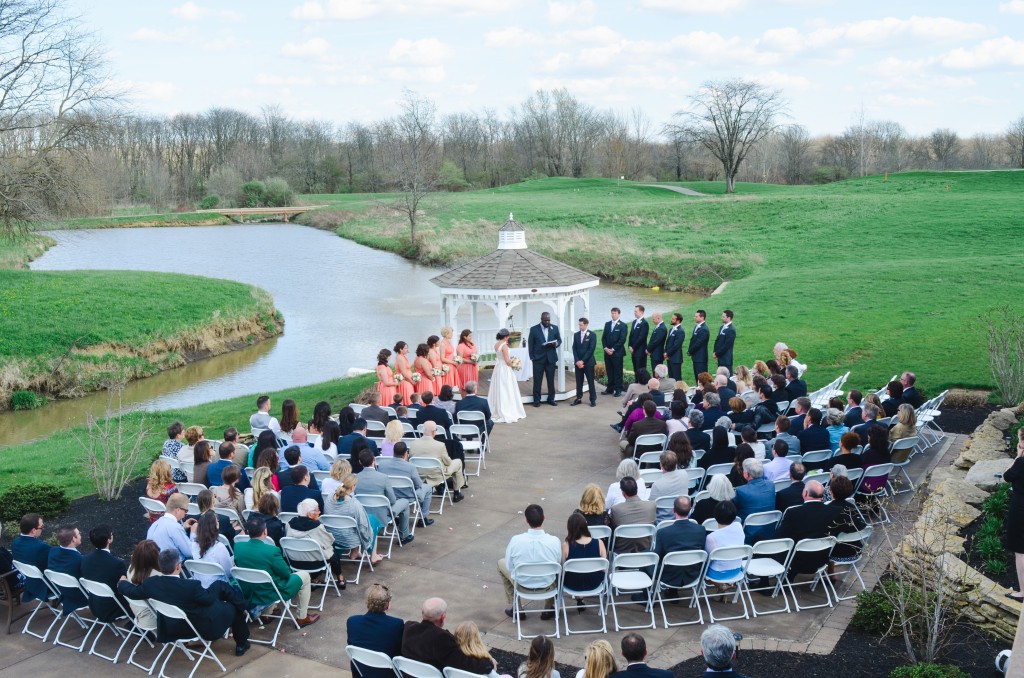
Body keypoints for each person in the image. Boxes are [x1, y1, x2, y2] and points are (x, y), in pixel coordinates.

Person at [117, 548, 252, 657]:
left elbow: (132, 592)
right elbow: (209, 600)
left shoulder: (151, 584)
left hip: (172, 629)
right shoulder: (190, 587)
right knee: (233, 607)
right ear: (178, 567)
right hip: (200, 628)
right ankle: (242, 642)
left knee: (219, 586)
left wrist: (122, 583)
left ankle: (244, 606)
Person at [233, 516, 319, 627]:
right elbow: (286, 573)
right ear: (265, 531)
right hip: (270, 592)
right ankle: (302, 617)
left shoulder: (238, 547)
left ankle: (266, 614)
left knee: (268, 577)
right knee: (305, 576)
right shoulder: (272, 551)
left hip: (250, 592)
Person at [498, 504, 561, 618]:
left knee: (500, 563)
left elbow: (509, 565)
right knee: (555, 571)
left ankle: (517, 608)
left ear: (526, 520)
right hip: (547, 585)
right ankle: (548, 608)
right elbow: (557, 566)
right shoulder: (554, 541)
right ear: (544, 518)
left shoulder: (516, 540)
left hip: (522, 585)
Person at [402, 597, 494, 673]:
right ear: (442, 617)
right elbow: (465, 664)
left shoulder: (409, 627)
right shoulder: (442, 638)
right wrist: (488, 664)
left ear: (422, 613)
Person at [774, 480, 842, 576]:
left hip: (796, 562)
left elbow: (779, 537)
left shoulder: (793, 513)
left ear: (805, 493)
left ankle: (764, 583)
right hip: (821, 560)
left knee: (762, 542)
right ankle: (789, 578)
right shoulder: (834, 511)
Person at [355, 448, 413, 545]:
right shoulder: (383, 477)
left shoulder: (355, 478)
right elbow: (392, 500)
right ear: (374, 459)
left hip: (362, 515)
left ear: (360, 462)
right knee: (405, 502)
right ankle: (404, 536)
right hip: (381, 516)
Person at [347, 584, 405, 678]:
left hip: (362, 671)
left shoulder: (352, 621)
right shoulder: (396, 624)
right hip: (386, 674)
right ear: (388, 604)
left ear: (367, 602)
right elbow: (398, 652)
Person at [654, 496, 707, 591]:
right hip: (692, 574)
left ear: (674, 510)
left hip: (668, 576)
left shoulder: (663, 532)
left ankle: (645, 597)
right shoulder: (701, 530)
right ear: (690, 509)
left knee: (646, 563)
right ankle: (671, 592)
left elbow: (657, 557)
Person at [378, 442, 435, 528]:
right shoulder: (410, 467)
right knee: (428, 487)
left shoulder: (382, 465)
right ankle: (423, 518)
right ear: (406, 453)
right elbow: (418, 484)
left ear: (393, 452)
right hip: (407, 497)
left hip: (389, 496)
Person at [79, 525, 128, 620]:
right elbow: (124, 585)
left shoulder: (85, 559)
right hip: (116, 608)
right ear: (109, 540)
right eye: (111, 534)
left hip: (95, 606)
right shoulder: (117, 563)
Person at [409, 420, 466, 502]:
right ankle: (457, 493)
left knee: (439, 465)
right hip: (437, 475)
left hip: (419, 474)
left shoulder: (413, 444)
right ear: (433, 432)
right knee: (458, 462)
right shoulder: (440, 445)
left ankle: (440, 487)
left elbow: (411, 459)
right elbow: (448, 462)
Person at [561, 512, 607, 603]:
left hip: (572, 584)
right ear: (586, 524)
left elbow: (563, 568)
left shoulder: (566, 545)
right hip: (594, 583)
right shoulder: (599, 543)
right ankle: (580, 599)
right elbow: (604, 568)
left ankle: (579, 598)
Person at [489, 328, 527, 424]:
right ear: (506, 337)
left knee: (499, 387)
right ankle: (507, 409)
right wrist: (514, 364)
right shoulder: (504, 346)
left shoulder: (496, 344)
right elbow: (507, 360)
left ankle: (498, 408)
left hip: (498, 368)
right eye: (508, 336)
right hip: (505, 369)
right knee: (506, 388)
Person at [609, 478, 656, 553]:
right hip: (645, 547)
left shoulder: (616, 509)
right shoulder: (651, 506)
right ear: (636, 490)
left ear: (623, 493)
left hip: (622, 549)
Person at [47, 526, 89, 612]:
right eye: (79, 534)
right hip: (81, 597)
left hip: (64, 594)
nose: (81, 535)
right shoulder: (80, 560)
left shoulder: (53, 551)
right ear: (74, 539)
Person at [187, 512, 233, 588]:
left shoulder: (193, 545)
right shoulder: (219, 547)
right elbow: (229, 573)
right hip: (219, 588)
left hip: (200, 586)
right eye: (217, 521)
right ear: (216, 525)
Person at [704, 500, 745, 584]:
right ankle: (723, 587)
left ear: (715, 516)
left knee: (701, 568)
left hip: (717, 574)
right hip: (737, 570)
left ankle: (721, 585)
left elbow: (707, 558)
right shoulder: (739, 526)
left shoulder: (711, 537)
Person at [147, 493, 195, 561]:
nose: (185, 514)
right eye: (185, 511)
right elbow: (190, 552)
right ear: (178, 510)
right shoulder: (174, 527)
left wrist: (182, 528)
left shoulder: (154, 524)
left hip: (153, 563)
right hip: (169, 566)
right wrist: (193, 533)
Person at [529, 312, 562, 406]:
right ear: (541, 319)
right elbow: (530, 344)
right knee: (537, 380)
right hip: (538, 359)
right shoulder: (534, 329)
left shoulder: (554, 328)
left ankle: (551, 399)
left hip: (551, 359)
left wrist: (555, 344)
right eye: (545, 320)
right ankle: (536, 400)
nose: (547, 322)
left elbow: (559, 340)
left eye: (548, 320)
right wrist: (532, 357)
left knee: (551, 380)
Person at [647, 451, 691, 522]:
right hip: (682, 515)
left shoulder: (657, 485)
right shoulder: (684, 474)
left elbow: (651, 506)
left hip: (663, 519)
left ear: (661, 465)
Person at [571, 317, 598, 407]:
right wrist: (577, 361)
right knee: (579, 381)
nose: (579, 326)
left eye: (581, 325)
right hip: (578, 362)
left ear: (586, 325)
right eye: (579, 324)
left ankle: (593, 399)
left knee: (590, 381)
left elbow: (591, 349)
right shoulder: (576, 335)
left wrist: (583, 361)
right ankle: (578, 398)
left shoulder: (592, 335)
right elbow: (574, 348)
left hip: (588, 362)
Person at [602, 307, 628, 397]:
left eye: (615, 313)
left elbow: (622, 340)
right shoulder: (607, 324)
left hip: (617, 353)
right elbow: (603, 338)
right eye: (612, 313)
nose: (613, 315)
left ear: (619, 314)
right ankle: (610, 388)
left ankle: (618, 389)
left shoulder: (623, 325)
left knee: (617, 371)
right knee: (609, 371)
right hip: (607, 352)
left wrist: (613, 349)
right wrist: (606, 348)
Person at [145, 458, 177, 522]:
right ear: (167, 472)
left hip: (153, 517)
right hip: (166, 518)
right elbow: (176, 501)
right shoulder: (170, 487)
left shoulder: (149, 484)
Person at [627, 305, 650, 378]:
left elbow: (641, 338)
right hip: (633, 350)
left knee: (640, 369)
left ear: (641, 312)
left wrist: (633, 347)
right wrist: (629, 346)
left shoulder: (644, 323)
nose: (634, 313)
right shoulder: (634, 322)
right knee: (635, 369)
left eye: (636, 311)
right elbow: (631, 335)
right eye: (634, 311)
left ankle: (642, 385)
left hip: (640, 351)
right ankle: (636, 383)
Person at [439, 326, 464, 391]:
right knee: (448, 384)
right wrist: (453, 362)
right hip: (448, 365)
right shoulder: (442, 344)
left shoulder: (449, 342)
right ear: (446, 334)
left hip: (452, 364)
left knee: (452, 385)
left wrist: (456, 359)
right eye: (451, 332)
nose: (452, 334)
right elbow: (442, 358)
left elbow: (451, 354)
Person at [662, 313, 685, 381]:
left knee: (677, 378)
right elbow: (668, 342)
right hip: (669, 358)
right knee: (671, 378)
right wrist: (665, 352)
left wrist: (667, 353)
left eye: (673, 319)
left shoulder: (680, 331)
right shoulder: (671, 330)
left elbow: (676, 345)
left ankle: (679, 391)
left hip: (676, 359)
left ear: (678, 321)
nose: (671, 320)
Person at [393, 342, 416, 406]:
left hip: (407, 379)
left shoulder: (402, 356)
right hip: (405, 381)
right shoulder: (400, 358)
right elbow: (403, 372)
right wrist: (411, 381)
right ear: (400, 349)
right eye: (405, 348)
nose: (407, 350)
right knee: (408, 397)